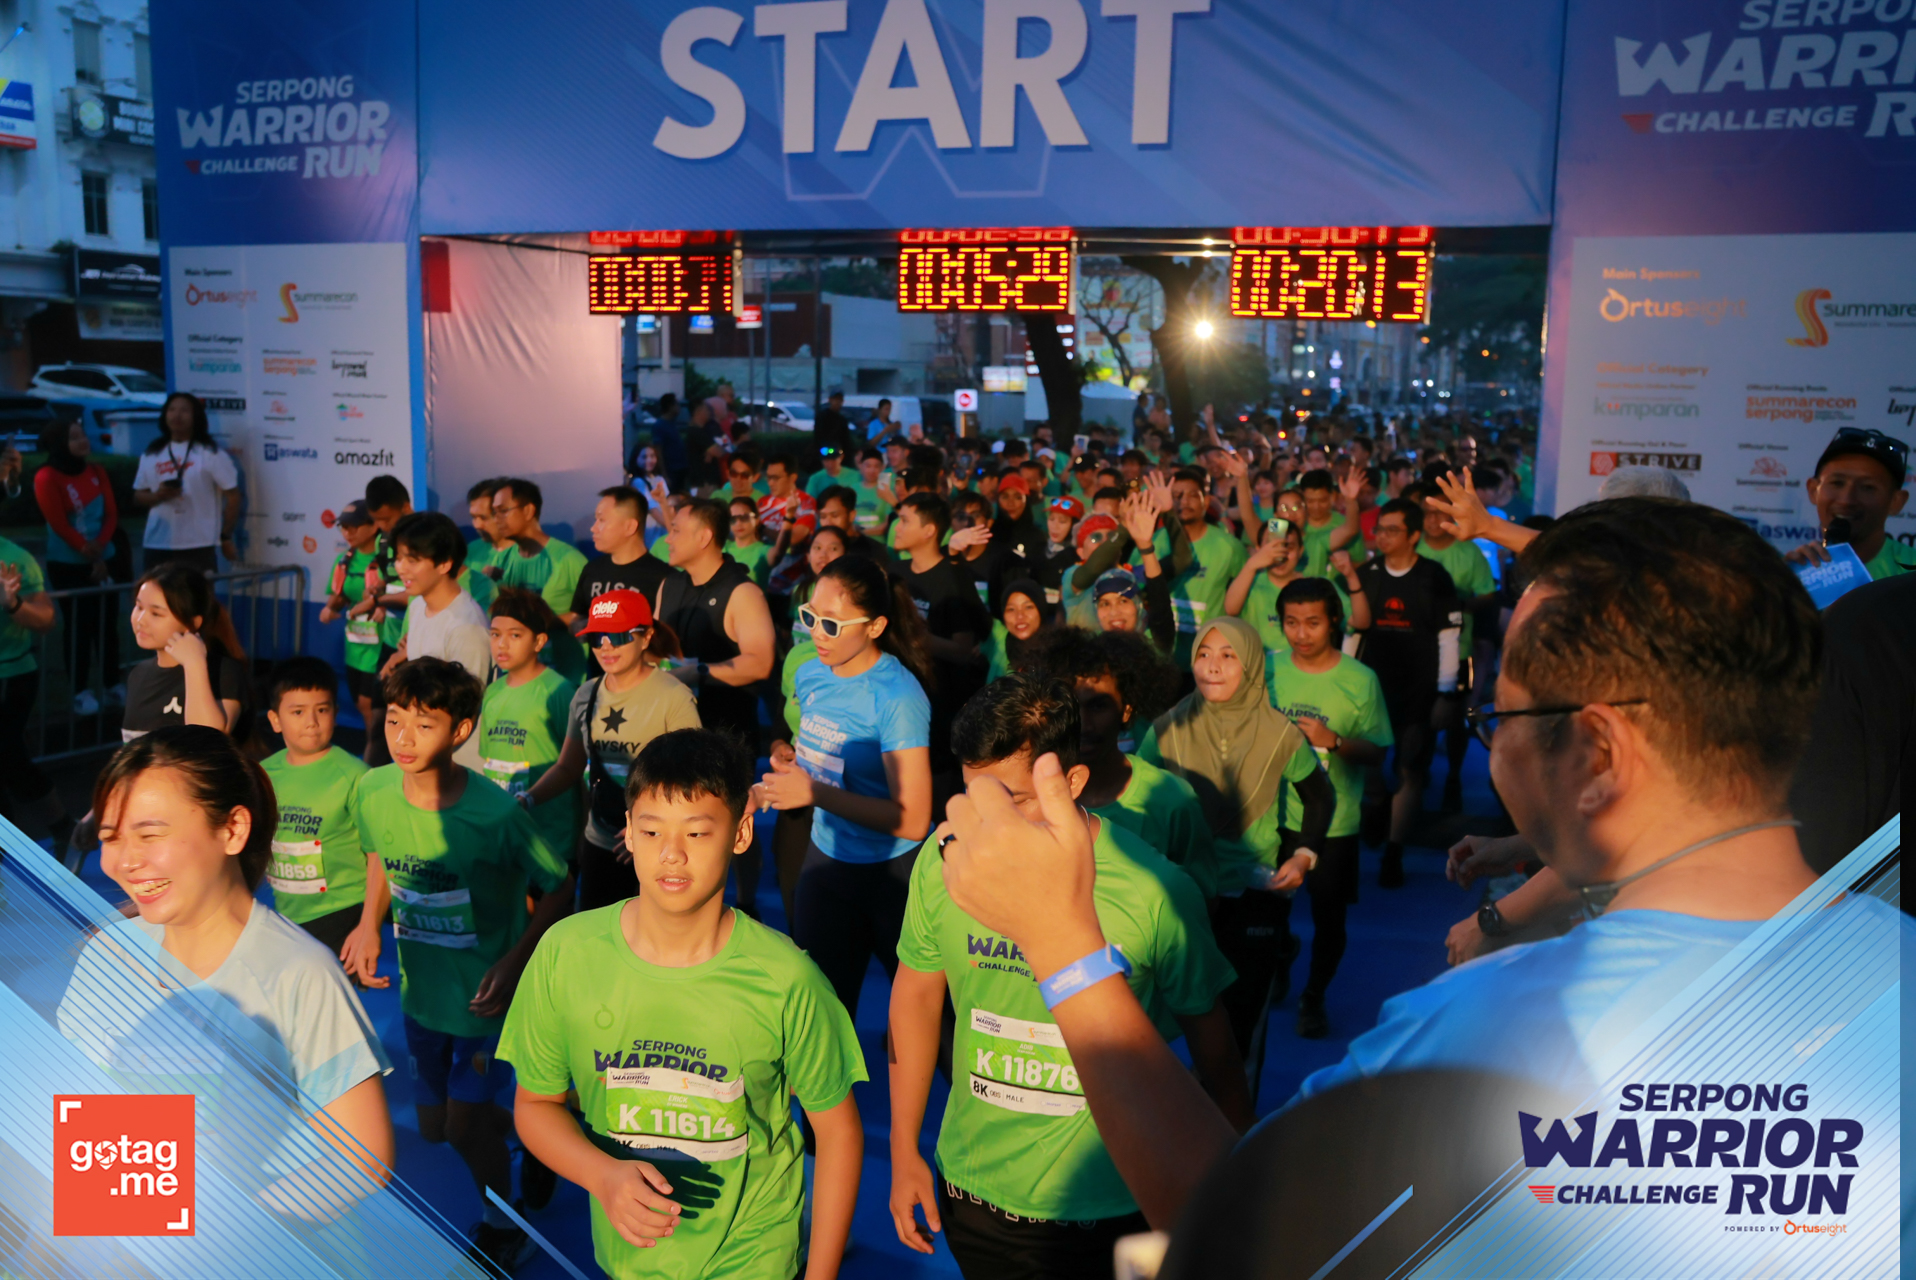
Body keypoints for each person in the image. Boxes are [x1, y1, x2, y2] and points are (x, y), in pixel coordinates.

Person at [888, 675, 1246, 1280]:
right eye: (974, 797)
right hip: (972, 1196)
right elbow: (914, 998)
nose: (988, 825)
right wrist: (903, 1152)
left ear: (1070, 784)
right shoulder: (946, 859)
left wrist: (1236, 1191)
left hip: (1112, 1213)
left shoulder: (1157, 892)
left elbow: (1217, 1054)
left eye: (1010, 800)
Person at [501, 729, 866, 1280]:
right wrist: (602, 1176)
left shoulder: (788, 979)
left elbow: (838, 1133)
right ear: (628, 831)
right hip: (629, 1261)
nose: (671, 853)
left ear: (740, 833)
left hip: (754, 1260)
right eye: (651, 831)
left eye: (696, 832)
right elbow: (535, 1105)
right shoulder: (565, 953)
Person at [59, 727, 395, 1218]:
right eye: (110, 838)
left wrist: (223, 1233)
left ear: (233, 829)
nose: (126, 861)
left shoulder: (299, 974)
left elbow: (360, 1158)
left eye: (150, 834)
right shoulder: (105, 955)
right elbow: (80, 1121)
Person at [352, 657, 574, 1269]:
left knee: (461, 1127)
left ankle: (504, 1227)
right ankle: (541, 1134)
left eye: (424, 725)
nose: (403, 738)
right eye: (394, 720)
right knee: (436, 1127)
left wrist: (513, 962)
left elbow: (559, 887)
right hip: (421, 996)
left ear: (461, 731)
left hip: (483, 1003)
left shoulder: (497, 816)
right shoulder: (372, 790)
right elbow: (377, 856)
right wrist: (368, 923)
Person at [1138, 617, 1333, 1091]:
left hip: (1253, 896)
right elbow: (1134, 798)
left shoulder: (1281, 733)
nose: (1213, 666)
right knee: (1165, 1019)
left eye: (1228, 656)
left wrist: (1303, 856)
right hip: (1181, 894)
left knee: (1242, 1027)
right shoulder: (1166, 729)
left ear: (1250, 666)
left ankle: (1234, 1124)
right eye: (1204, 654)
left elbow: (1320, 797)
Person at [757, 556, 934, 1017]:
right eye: (810, 616)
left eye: (832, 624)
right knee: (820, 1019)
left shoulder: (897, 697)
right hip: (827, 864)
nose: (816, 633)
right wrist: (790, 763)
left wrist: (815, 794)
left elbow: (914, 821)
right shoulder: (810, 672)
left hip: (894, 876)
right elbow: (819, 753)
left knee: (932, 1027)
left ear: (875, 627)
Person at [1264, 579, 1392, 1038]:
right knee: (1268, 915)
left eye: (1313, 623)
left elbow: (1377, 752)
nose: (1301, 634)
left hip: (1335, 824)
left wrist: (1332, 741)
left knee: (1329, 919)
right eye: (1291, 623)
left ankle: (1314, 997)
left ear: (1334, 621)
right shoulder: (1266, 668)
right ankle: (1281, 957)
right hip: (1272, 818)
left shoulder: (1360, 679)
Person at [525, 589, 701, 913]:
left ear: (646, 637)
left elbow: (691, 780)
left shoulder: (674, 697)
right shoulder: (586, 694)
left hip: (656, 849)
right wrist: (526, 800)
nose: (606, 646)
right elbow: (568, 768)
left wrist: (648, 828)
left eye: (618, 636)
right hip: (601, 841)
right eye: (597, 637)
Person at [1035, 626, 1213, 890]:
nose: (1083, 723)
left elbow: (1201, 896)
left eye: (1098, 705)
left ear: (1127, 710)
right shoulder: (1032, 795)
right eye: (1070, 706)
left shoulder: (1173, 801)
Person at [1350, 499, 1461, 889]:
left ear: (1414, 535)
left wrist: (1446, 693)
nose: (1381, 536)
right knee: (1370, 768)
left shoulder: (1434, 577)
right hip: (1370, 689)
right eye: (1379, 529)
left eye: (1391, 530)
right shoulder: (1366, 574)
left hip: (1419, 690)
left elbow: (1449, 637)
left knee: (1411, 770)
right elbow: (1354, 633)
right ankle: (1377, 805)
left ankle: (1394, 852)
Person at [260, 657, 376, 960]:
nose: (311, 721)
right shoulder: (263, 774)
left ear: (335, 713)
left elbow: (379, 856)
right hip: (285, 915)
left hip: (343, 912)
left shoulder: (355, 776)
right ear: (275, 719)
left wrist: (369, 925)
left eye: (322, 710)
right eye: (298, 712)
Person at [887, 493, 991, 807]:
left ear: (929, 530)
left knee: (938, 804)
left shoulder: (950, 577)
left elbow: (963, 649)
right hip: (895, 703)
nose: (896, 528)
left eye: (904, 521)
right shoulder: (894, 573)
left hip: (940, 713)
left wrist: (912, 636)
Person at [657, 497, 777, 751]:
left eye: (676, 530)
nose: (668, 539)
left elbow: (760, 663)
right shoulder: (669, 584)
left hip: (725, 743)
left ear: (704, 537)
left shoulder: (743, 592)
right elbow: (654, 646)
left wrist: (696, 673)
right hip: (670, 735)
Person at [1406, 483, 1496, 813]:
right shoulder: (1411, 547)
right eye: (1427, 513)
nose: (1433, 519)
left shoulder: (1468, 552)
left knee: (1456, 719)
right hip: (1417, 651)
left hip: (1459, 651)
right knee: (1418, 719)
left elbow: (1488, 593)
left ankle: (1454, 777)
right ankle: (1417, 778)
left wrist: (1458, 605)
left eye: (1440, 512)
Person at [479, 588, 581, 869]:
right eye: (495, 634)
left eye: (515, 635)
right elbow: (488, 762)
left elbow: (578, 769)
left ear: (539, 641)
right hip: (505, 832)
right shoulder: (492, 692)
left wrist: (584, 833)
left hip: (551, 838)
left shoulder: (560, 691)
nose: (502, 645)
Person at [34, 417, 124, 713]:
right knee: (78, 627)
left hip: (105, 558)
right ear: (60, 443)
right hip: (68, 563)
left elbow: (111, 515)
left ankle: (112, 685)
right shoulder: (46, 476)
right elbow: (59, 523)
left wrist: (101, 550)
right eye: (74, 437)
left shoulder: (97, 471)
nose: (83, 440)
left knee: (107, 626)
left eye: (83, 435)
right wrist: (88, 552)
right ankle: (80, 691)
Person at [123, 563, 246, 739]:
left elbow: (208, 737)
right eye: (139, 607)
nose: (140, 620)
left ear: (193, 623)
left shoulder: (223, 672)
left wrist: (194, 665)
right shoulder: (138, 675)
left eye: (156, 613)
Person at [0, 530, 64, 843]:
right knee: (12, 763)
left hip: (9, 677)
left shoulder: (15, 559)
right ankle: (64, 829)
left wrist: (13, 605)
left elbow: (46, 619)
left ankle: (64, 829)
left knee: (10, 761)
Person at [1784, 427, 1914, 579]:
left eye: (1868, 487)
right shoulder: (1791, 572)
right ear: (1813, 490)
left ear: (1896, 502)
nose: (1847, 500)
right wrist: (1779, 584)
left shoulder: (1911, 572)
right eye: (1837, 483)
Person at [491, 478, 590, 676]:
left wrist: (544, 622)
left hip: (565, 678)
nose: (496, 519)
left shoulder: (569, 560)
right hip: (518, 679)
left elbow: (596, 616)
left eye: (503, 511)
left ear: (528, 511)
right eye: (494, 512)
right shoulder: (502, 560)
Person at [132, 392, 239, 574]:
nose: (177, 415)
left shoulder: (210, 453)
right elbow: (138, 496)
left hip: (199, 543)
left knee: (198, 592)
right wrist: (158, 496)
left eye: (184, 410)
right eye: (172, 410)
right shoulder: (152, 453)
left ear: (196, 416)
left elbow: (234, 496)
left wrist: (226, 536)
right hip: (158, 543)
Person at [384, 512, 491, 690]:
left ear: (444, 564)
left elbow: (470, 700)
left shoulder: (466, 628)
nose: (401, 568)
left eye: (412, 560)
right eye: (398, 558)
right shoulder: (418, 605)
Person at [1152, 469, 1247, 665]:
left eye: (1193, 495)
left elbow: (1244, 600)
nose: (1184, 502)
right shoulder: (1154, 541)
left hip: (1210, 659)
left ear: (1207, 501)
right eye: (1176, 496)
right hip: (1162, 657)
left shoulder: (1230, 547)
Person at [318, 501, 384, 757]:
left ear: (374, 526)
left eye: (353, 526)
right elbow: (338, 595)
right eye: (343, 527)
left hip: (380, 645)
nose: (347, 532)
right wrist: (330, 608)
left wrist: (378, 604)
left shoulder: (387, 559)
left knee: (370, 703)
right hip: (355, 644)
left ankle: (374, 755)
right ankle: (375, 750)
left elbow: (400, 593)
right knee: (359, 702)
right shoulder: (344, 560)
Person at [571, 485, 672, 624]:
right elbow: (578, 616)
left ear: (629, 527)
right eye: (596, 520)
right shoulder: (592, 570)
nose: (593, 528)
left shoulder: (664, 579)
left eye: (602, 520)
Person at [980, 578, 1049, 681]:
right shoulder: (997, 640)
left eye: (1028, 607)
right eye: (1011, 609)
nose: (1020, 616)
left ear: (1041, 609)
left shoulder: (1057, 654)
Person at [465, 478, 511, 583]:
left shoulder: (531, 554)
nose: (477, 525)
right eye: (473, 517)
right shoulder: (471, 550)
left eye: (483, 518)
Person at [725, 496, 772, 586]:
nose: (738, 523)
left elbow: (779, 552)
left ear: (757, 519)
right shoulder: (722, 547)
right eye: (733, 519)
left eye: (744, 517)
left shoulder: (764, 551)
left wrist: (788, 519)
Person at [814, 388, 852, 455]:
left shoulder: (842, 419)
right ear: (830, 400)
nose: (837, 401)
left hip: (838, 451)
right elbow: (818, 436)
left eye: (839, 399)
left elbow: (845, 438)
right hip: (824, 451)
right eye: (835, 399)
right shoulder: (822, 416)